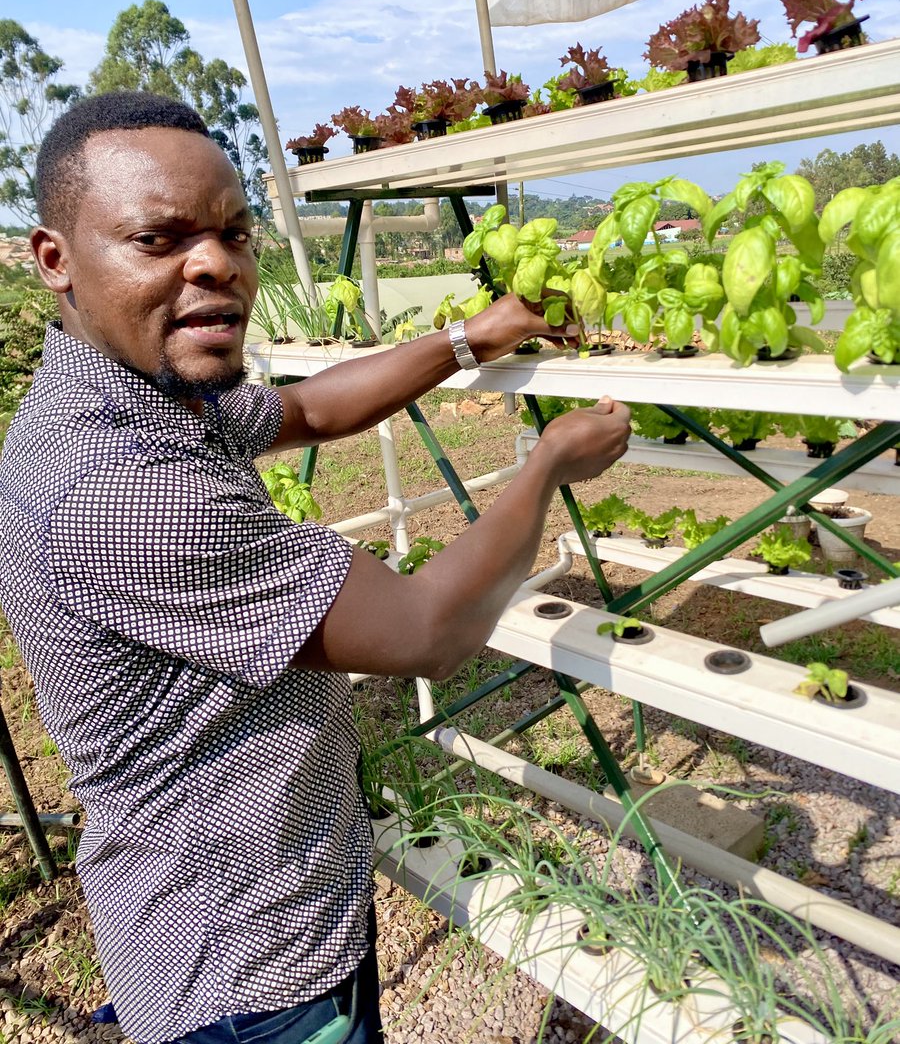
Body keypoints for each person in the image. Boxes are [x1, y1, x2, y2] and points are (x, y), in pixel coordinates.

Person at [0, 91, 630, 1044]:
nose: (215, 264)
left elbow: (309, 412)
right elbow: (429, 633)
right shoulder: (124, 489)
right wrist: (546, 465)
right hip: (256, 967)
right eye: (158, 239)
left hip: (189, 904)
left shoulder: (125, 393)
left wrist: (469, 339)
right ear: (57, 261)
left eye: (233, 233)